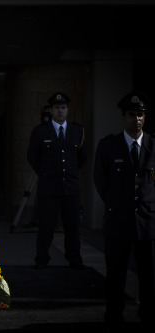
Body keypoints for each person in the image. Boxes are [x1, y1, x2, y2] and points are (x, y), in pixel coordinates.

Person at [93, 92, 155, 330]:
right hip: (118, 220)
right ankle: (114, 315)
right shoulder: (109, 146)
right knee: (116, 272)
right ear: (122, 118)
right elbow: (101, 179)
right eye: (132, 115)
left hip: (147, 221)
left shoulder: (153, 145)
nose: (137, 119)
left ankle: (148, 312)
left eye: (140, 115)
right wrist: (115, 205)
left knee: (148, 274)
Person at [27, 92, 87, 269]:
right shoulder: (40, 131)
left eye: (63, 108)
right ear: (51, 110)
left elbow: (82, 157)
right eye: (56, 108)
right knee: (46, 226)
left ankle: (74, 258)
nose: (60, 111)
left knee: (72, 226)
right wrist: (45, 173)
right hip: (49, 187)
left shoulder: (77, 131)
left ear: (67, 110)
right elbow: (32, 156)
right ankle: (42, 259)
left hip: (70, 187)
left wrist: (71, 172)